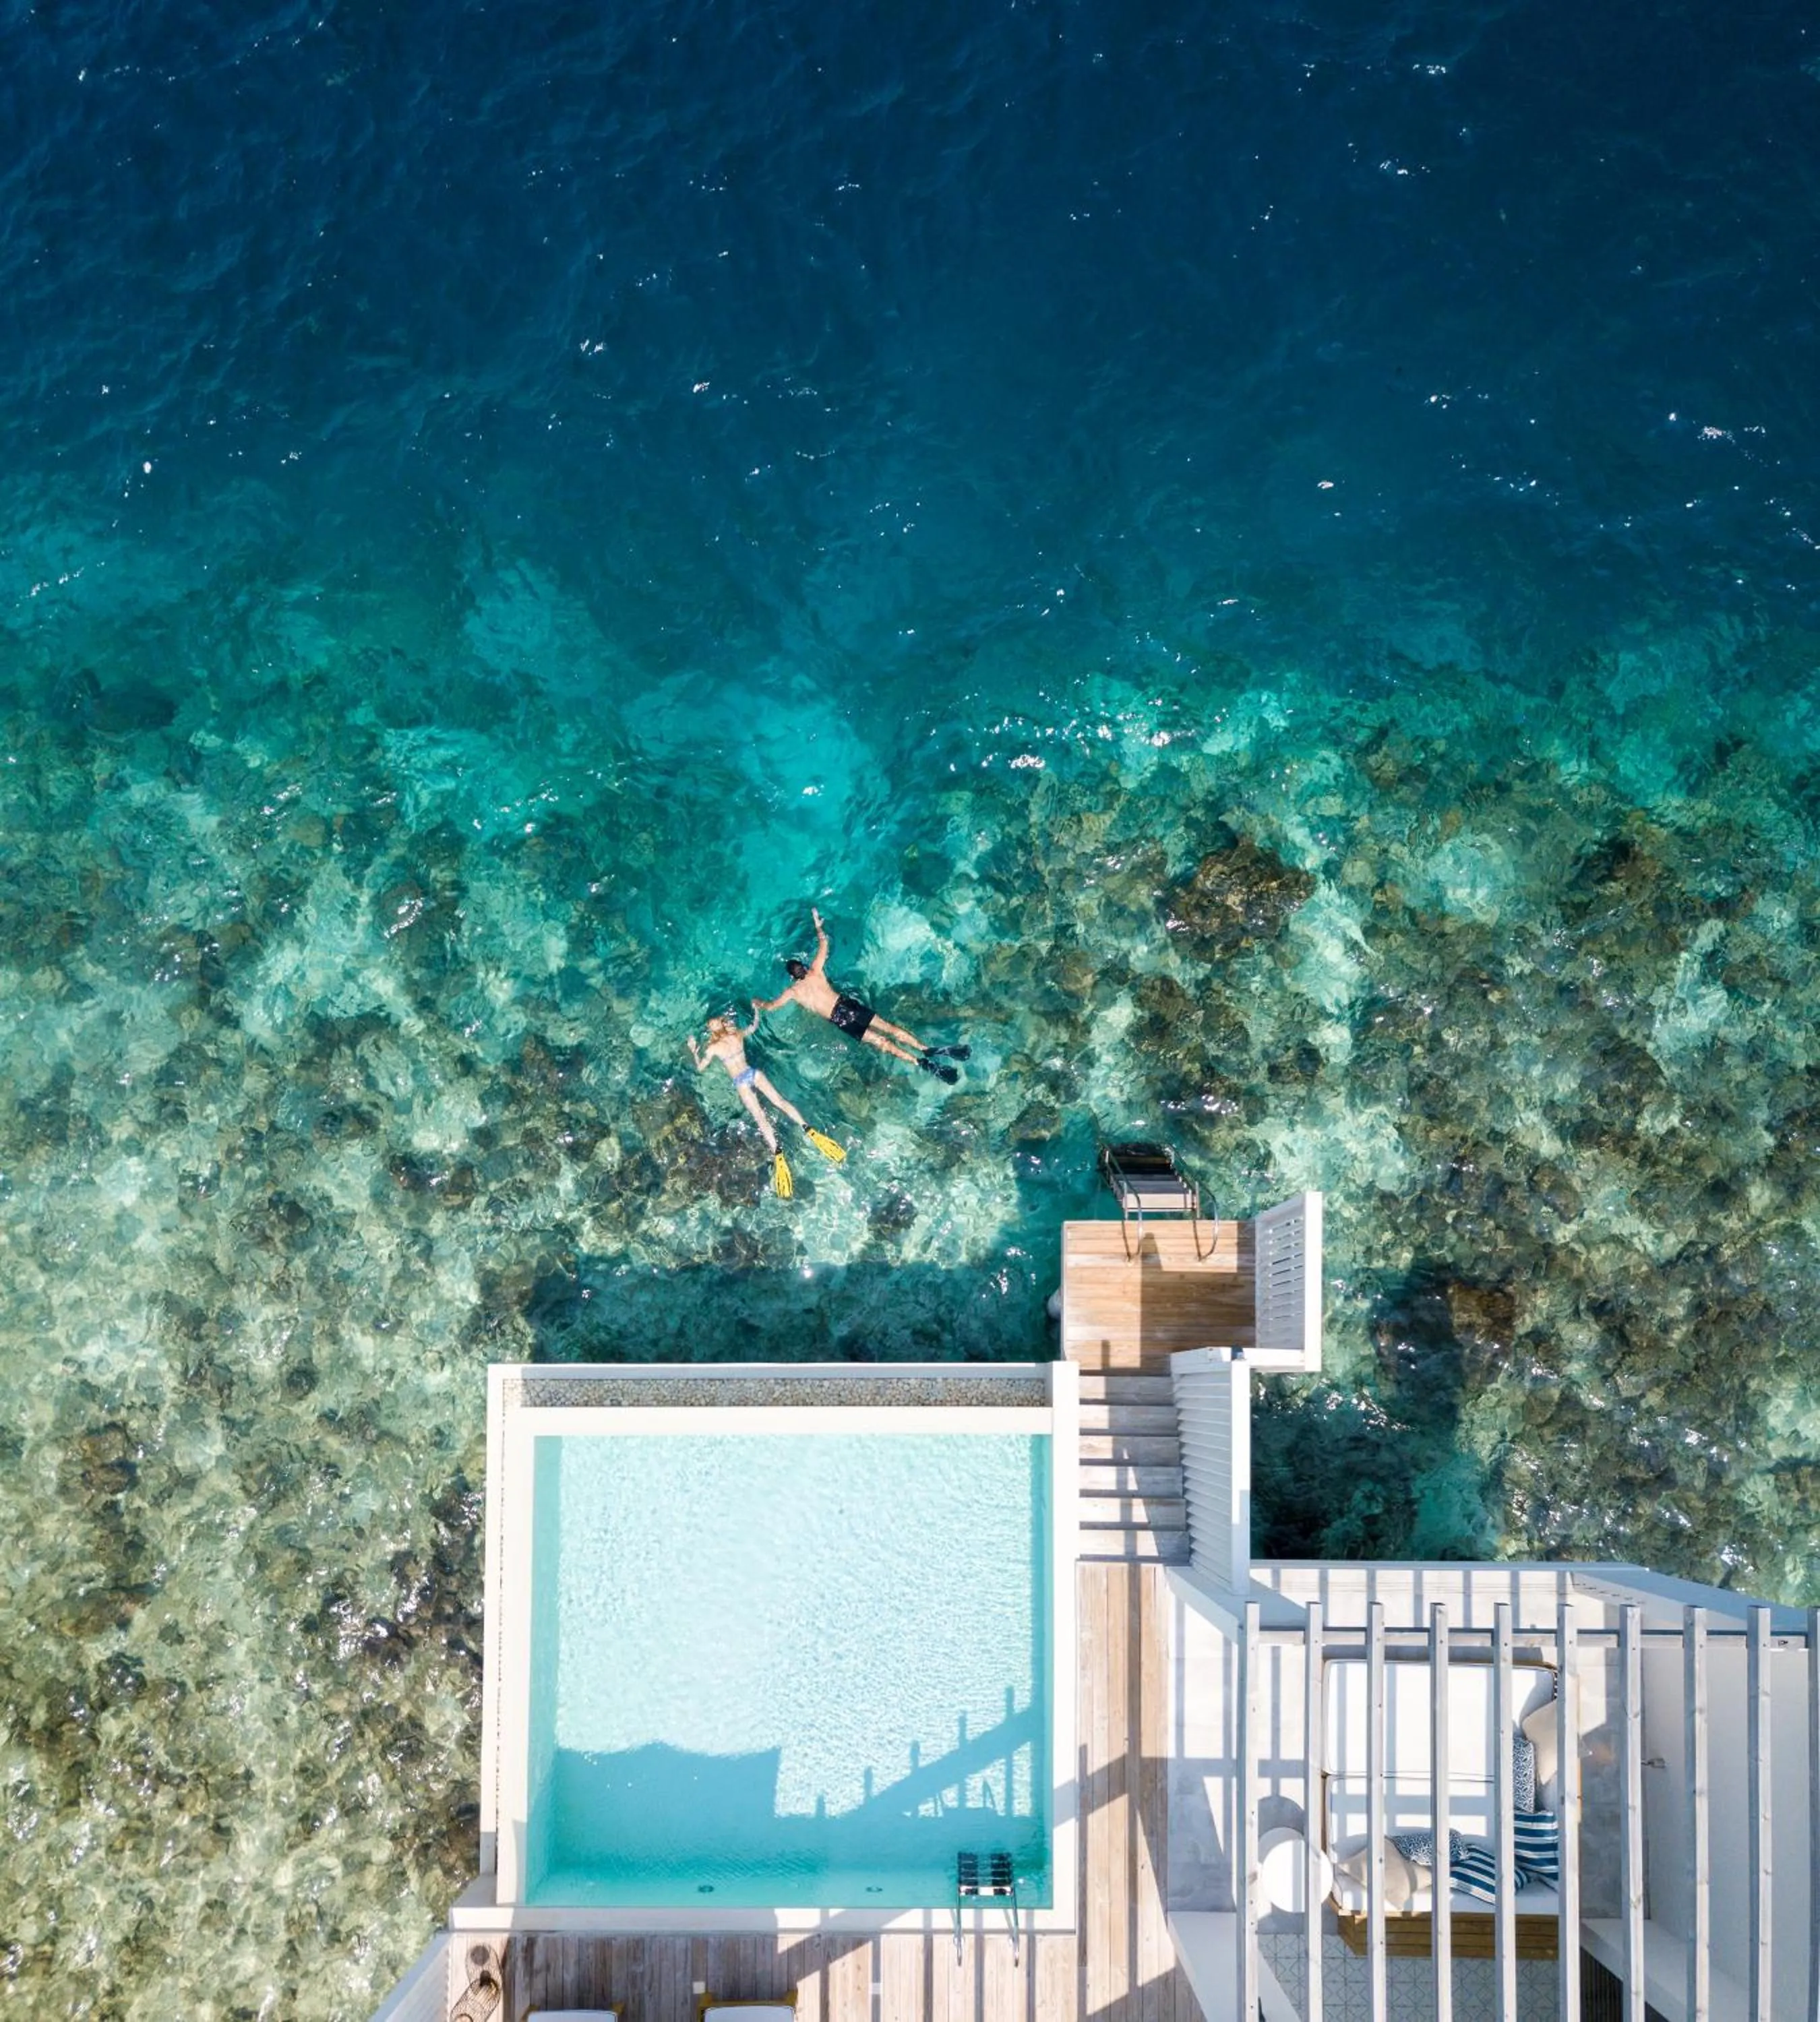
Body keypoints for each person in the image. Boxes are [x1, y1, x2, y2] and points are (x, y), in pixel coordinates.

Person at [752, 908, 970, 1082]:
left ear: (792, 977)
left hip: (839, 1019)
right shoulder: (816, 972)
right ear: (804, 967)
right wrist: (818, 926)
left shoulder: (793, 992)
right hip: (847, 1006)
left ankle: (917, 1062)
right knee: (889, 1028)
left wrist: (756, 1003)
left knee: (881, 1041)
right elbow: (824, 943)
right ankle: (925, 1048)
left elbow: (771, 1007)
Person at [687, 1010, 845, 1198]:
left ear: (712, 1029)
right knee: (780, 1102)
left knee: (760, 1118)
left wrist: (694, 1050)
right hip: (753, 1072)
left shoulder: (713, 1048)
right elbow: (753, 1027)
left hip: (741, 1082)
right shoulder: (736, 1034)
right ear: (722, 1023)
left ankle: (778, 1152)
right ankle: (807, 1128)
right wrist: (756, 1012)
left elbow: (700, 1068)